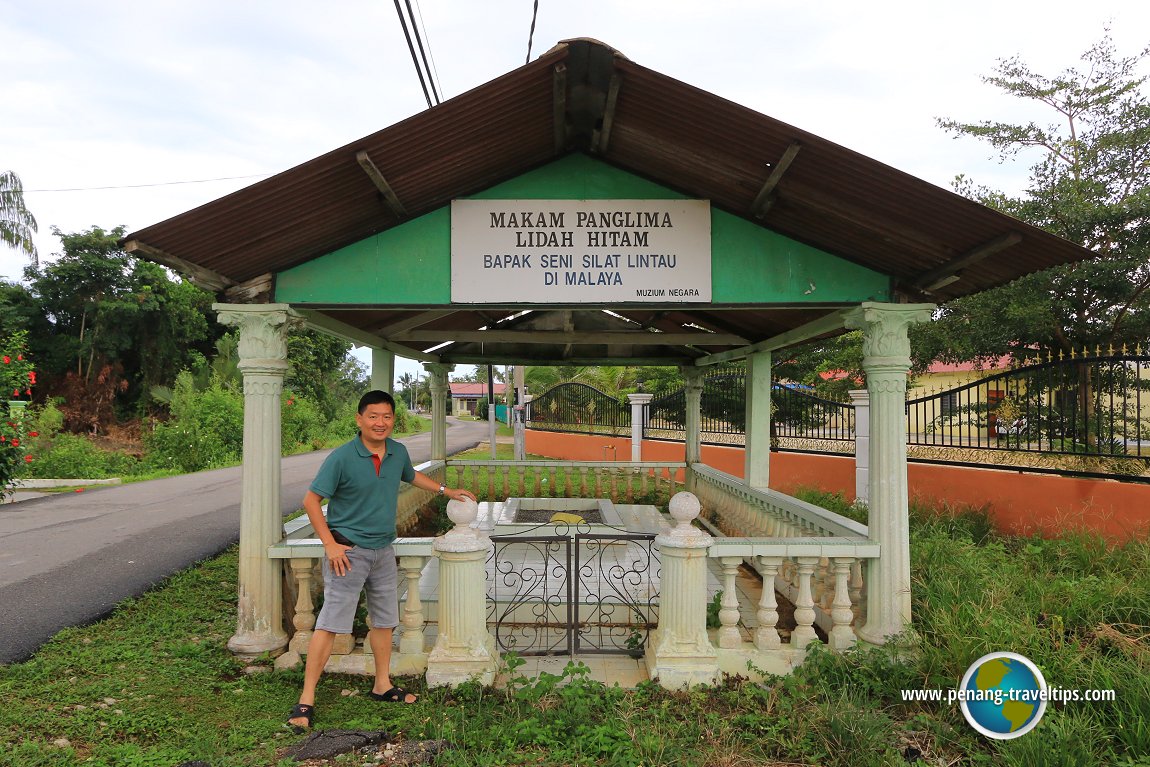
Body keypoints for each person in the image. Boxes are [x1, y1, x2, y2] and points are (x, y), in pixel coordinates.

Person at [287, 390, 477, 732]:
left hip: (383, 551)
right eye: (373, 416)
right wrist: (329, 545)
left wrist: (446, 491)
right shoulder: (342, 458)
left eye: (387, 416)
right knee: (330, 625)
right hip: (348, 552)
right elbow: (311, 501)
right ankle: (306, 698)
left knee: (385, 622)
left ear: (393, 419)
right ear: (359, 419)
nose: (380, 422)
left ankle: (382, 684)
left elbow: (410, 475)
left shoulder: (397, 452)